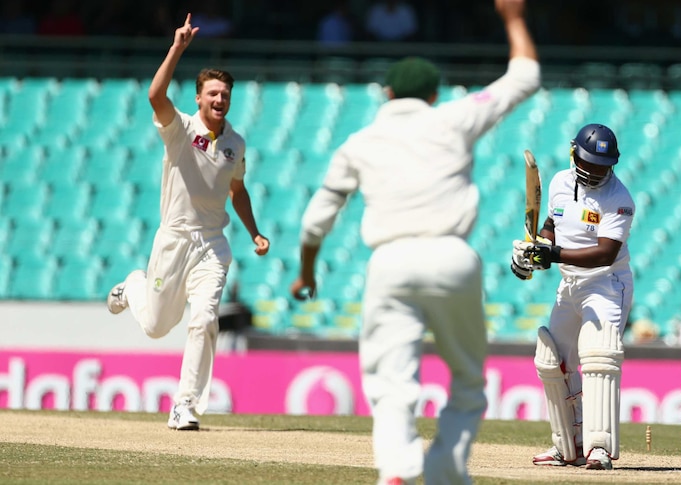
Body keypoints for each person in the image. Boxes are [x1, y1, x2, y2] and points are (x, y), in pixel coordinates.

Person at [289, 1, 539, 482]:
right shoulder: (453, 117)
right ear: (434, 93)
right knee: (468, 379)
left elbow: (315, 221)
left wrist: (307, 268)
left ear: (385, 93)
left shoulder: (359, 142)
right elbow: (524, 76)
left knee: (391, 384)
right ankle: (445, 468)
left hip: (391, 262)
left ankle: (398, 470)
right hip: (452, 257)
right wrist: (512, 19)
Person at [106, 13, 270, 431]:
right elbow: (154, 95)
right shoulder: (180, 128)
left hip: (213, 244)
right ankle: (134, 285)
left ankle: (185, 405)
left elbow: (237, 191)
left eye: (225, 95)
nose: (220, 100)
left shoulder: (235, 142)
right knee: (158, 327)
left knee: (204, 319)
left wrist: (254, 231)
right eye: (213, 94)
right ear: (199, 98)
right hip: (174, 241)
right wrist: (178, 47)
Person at [511, 123, 635, 470]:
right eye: (589, 163)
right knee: (554, 360)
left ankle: (600, 449)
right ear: (574, 154)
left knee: (599, 356)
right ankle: (566, 446)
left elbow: (605, 254)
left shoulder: (619, 199)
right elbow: (552, 224)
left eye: (602, 165)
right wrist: (535, 253)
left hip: (606, 285)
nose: (595, 171)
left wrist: (553, 256)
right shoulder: (559, 183)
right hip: (569, 285)